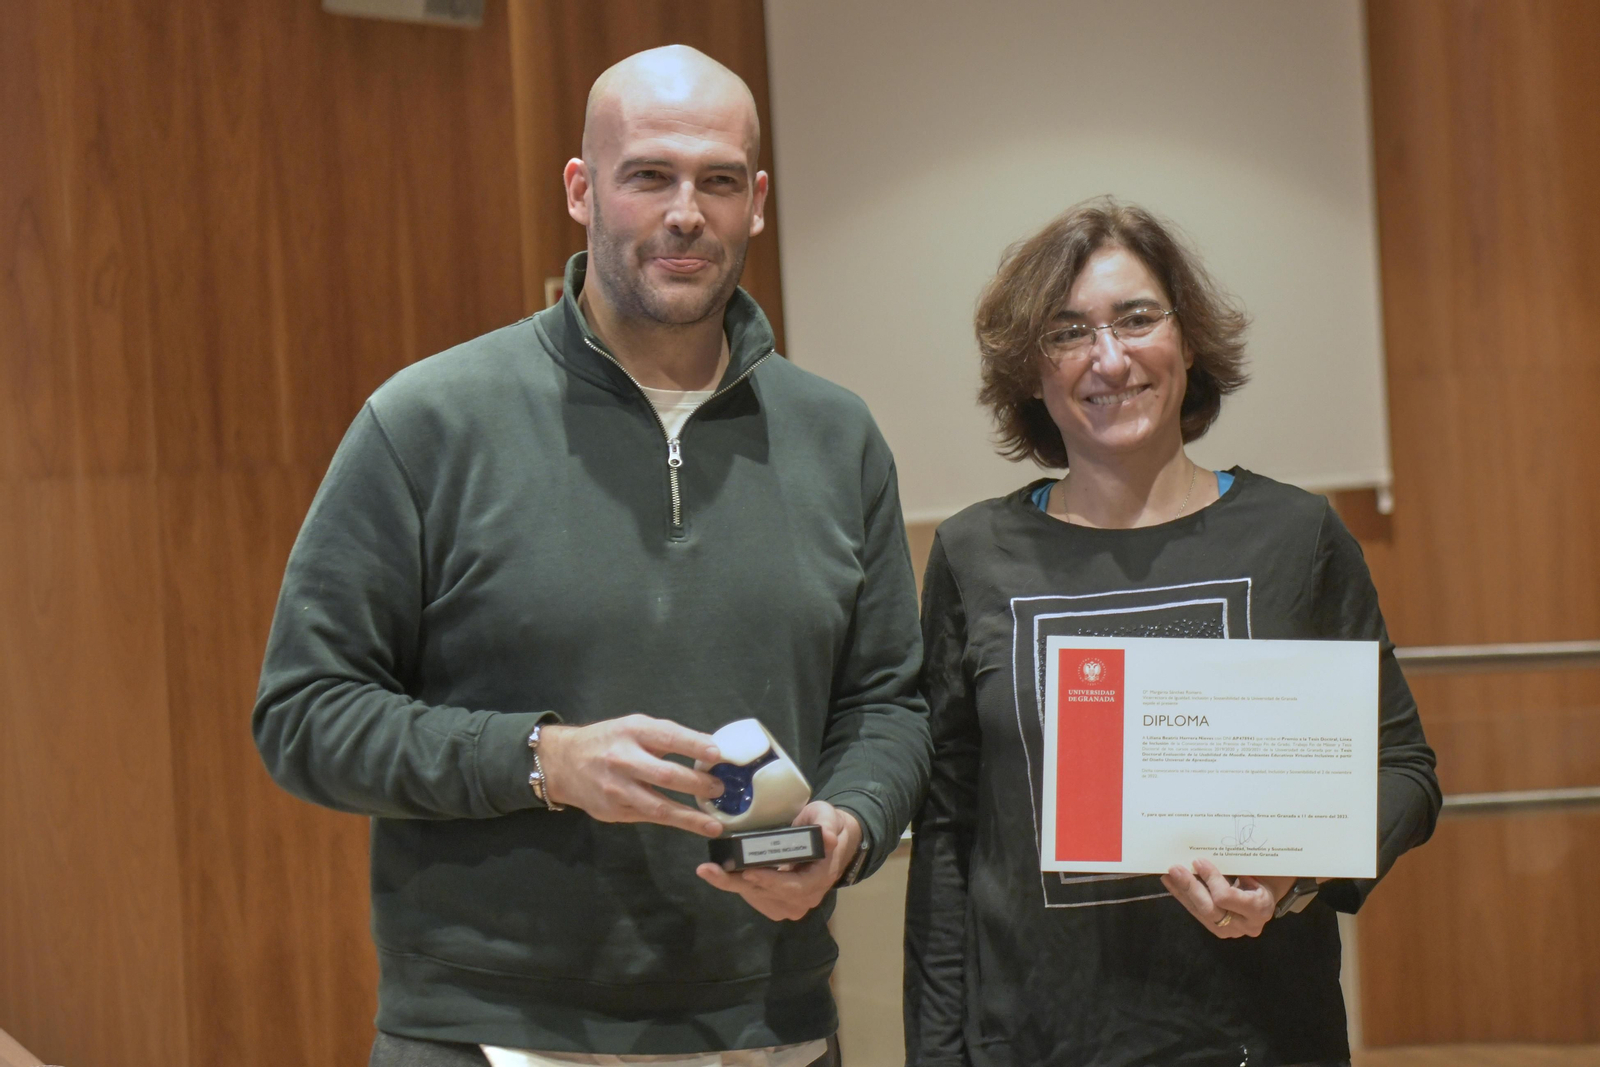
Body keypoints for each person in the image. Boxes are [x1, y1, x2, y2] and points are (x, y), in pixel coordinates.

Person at [253, 45, 930, 1067]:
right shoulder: (426, 420)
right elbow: (303, 714)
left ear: (757, 201)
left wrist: (848, 825)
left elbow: (887, 703)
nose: (684, 214)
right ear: (582, 190)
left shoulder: (838, 435)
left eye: (716, 180)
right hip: (491, 1031)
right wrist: (545, 759)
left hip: (771, 1024)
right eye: (648, 175)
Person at [902, 199, 1440, 1067]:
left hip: (1258, 1035)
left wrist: (1298, 877)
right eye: (1068, 331)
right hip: (1037, 1042)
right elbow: (949, 835)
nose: (1108, 357)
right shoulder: (973, 555)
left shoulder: (1297, 537)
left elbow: (1406, 771)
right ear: (1032, 374)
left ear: (1188, 342)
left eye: (1137, 318)